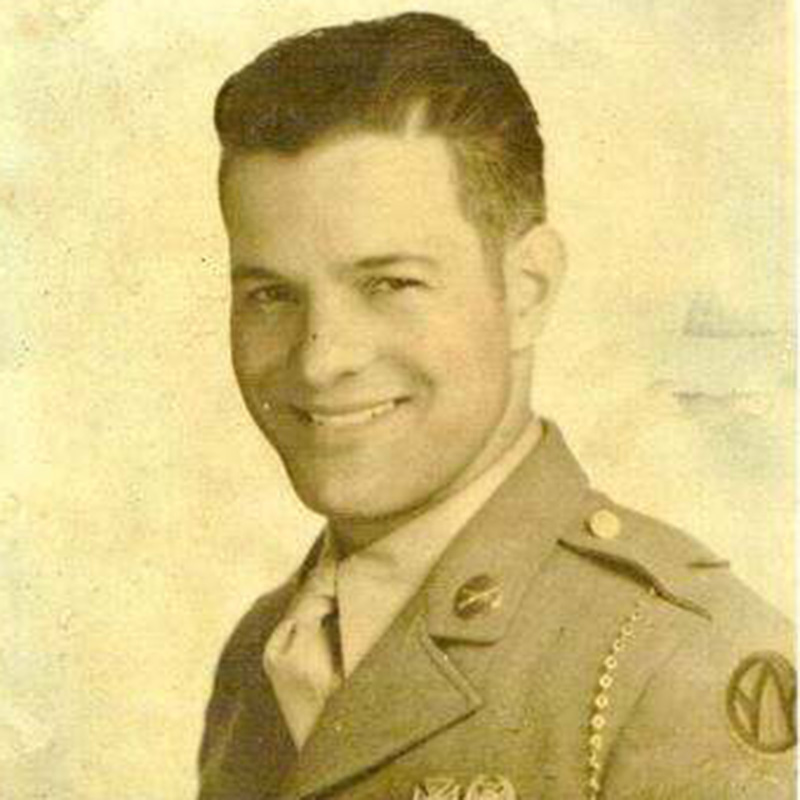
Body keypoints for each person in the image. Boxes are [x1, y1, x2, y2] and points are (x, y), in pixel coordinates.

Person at [198, 12, 796, 799]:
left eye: (389, 284)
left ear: (527, 289)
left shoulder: (680, 662)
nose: (321, 358)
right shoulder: (265, 652)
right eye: (271, 295)